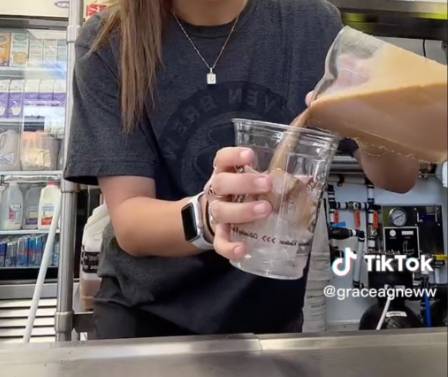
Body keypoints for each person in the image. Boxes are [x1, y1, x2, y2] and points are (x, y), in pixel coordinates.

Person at [65, 0, 419, 339]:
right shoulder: (109, 41)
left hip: (269, 314)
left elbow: (400, 178)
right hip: (146, 318)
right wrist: (208, 215)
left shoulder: (310, 24)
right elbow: (130, 221)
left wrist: (372, 125)